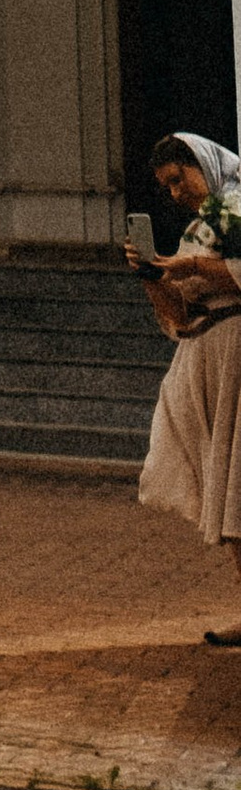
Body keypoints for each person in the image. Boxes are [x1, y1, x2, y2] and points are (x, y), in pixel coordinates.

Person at [132, 132, 241, 645]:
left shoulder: (237, 208)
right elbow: (176, 314)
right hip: (206, 363)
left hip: (239, 356)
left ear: (203, 164)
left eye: (179, 179)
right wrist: (154, 276)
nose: (175, 193)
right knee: (226, 488)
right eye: (166, 188)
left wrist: (194, 267)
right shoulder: (198, 232)